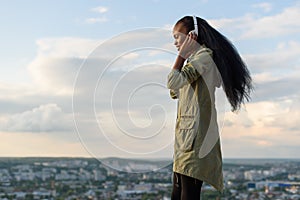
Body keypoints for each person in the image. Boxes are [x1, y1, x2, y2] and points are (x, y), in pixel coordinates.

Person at [167, 16, 253, 200]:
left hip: (196, 137)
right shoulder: (194, 60)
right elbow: (174, 91)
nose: (175, 42)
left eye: (177, 37)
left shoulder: (204, 57)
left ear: (192, 36)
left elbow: (173, 81)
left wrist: (181, 55)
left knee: (188, 193)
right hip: (185, 136)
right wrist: (184, 58)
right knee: (177, 189)